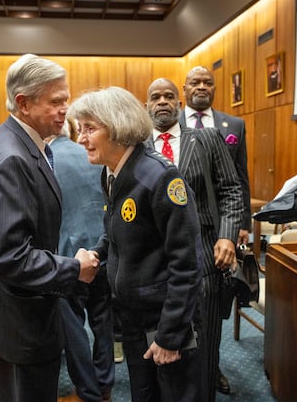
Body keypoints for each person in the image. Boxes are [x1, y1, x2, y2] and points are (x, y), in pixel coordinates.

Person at [0, 54, 100, 402]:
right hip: (18, 324)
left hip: (6, 317)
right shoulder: (12, 159)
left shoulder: (6, 143)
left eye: (65, 100)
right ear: (23, 103)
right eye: (56, 101)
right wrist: (75, 269)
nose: (64, 109)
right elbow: (10, 257)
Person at [69, 86, 206, 402]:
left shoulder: (160, 178)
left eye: (90, 128)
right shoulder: (111, 172)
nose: (81, 138)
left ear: (117, 128)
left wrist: (171, 337)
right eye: (80, 128)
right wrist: (97, 253)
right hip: (133, 318)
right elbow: (116, 233)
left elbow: (187, 265)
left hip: (166, 321)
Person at [145, 77, 244, 401]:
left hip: (203, 258)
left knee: (204, 348)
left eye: (169, 96)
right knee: (158, 349)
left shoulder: (207, 139)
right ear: (147, 106)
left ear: (179, 103)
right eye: (155, 97)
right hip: (153, 265)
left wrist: (227, 237)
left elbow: (231, 189)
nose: (162, 101)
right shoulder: (138, 145)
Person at [179, 65, 252, 395]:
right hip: (179, 228)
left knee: (213, 306)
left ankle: (213, 366)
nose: (202, 87)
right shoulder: (169, 123)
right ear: (185, 88)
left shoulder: (232, 125)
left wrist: (242, 225)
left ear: (215, 88)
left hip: (219, 228)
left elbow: (239, 178)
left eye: (208, 82)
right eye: (195, 82)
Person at [50, 119, 114, 402]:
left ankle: (87, 392)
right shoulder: (96, 155)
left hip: (68, 257)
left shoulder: (44, 160)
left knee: (74, 329)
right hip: (102, 250)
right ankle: (105, 384)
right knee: (103, 323)